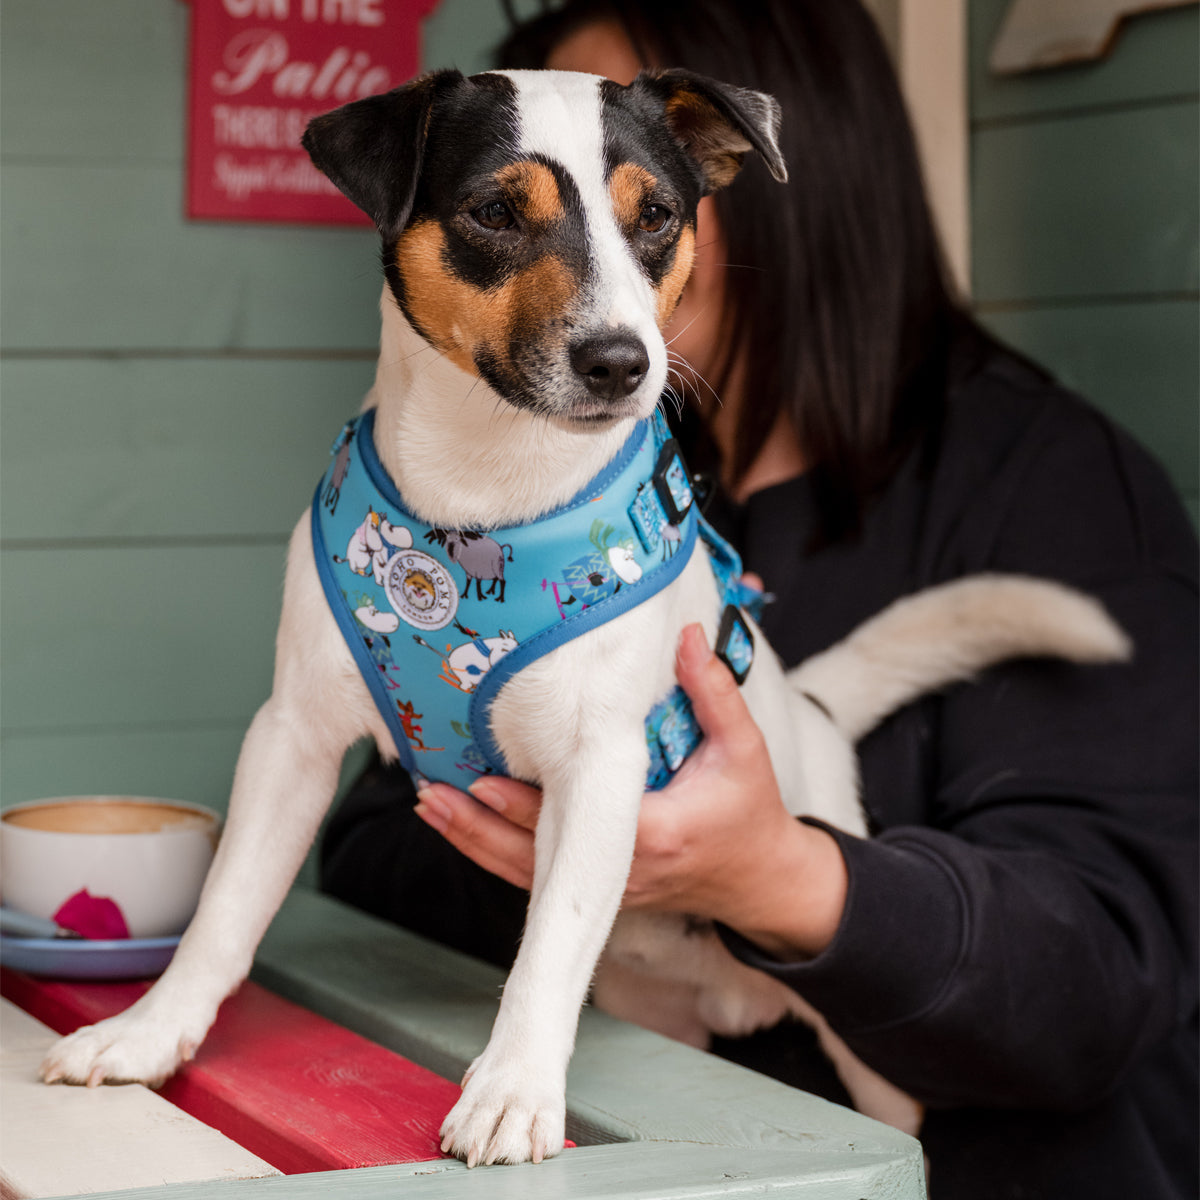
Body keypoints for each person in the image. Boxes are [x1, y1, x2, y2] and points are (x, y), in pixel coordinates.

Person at [319, 2, 1199, 1194]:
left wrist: (766, 873)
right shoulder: (553, 494)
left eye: (628, 195)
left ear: (740, 172)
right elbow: (373, 848)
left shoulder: (1056, 490)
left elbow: (1104, 984)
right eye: (527, 198)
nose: (583, 270)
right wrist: (573, 839)